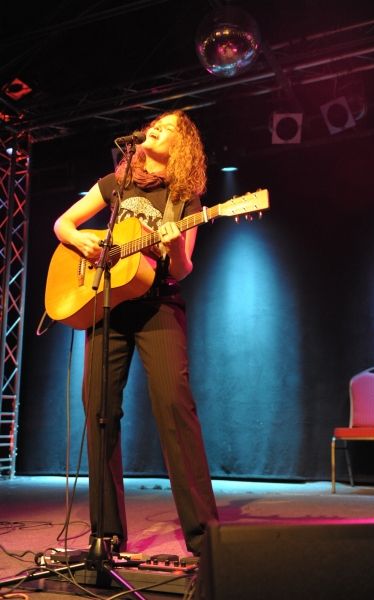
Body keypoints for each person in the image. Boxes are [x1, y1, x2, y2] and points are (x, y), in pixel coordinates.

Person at [53, 109, 219, 556]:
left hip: (158, 305)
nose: (154, 129)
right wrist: (81, 240)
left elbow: (182, 269)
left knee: (174, 406)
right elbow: (63, 224)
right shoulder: (116, 183)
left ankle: (206, 538)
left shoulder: (185, 197)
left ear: (181, 146)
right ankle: (105, 534)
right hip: (107, 304)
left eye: (166, 128)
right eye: (154, 125)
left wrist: (173, 246)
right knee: (99, 411)